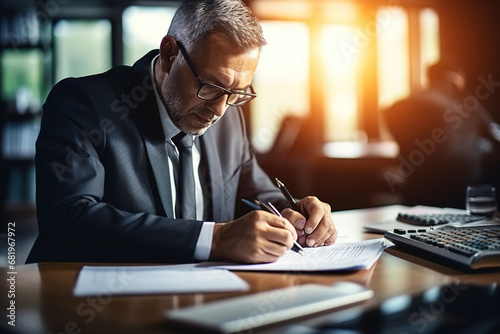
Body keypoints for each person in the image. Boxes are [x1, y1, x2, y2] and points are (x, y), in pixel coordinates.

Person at [26, 0, 337, 264]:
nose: (219, 109)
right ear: (168, 53)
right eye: (210, 86)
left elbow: (257, 192)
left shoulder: (229, 116)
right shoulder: (84, 104)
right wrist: (214, 239)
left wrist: (296, 214)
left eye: (237, 93)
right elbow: (69, 220)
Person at [384, 59, 500, 208]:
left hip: (416, 191)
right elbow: (495, 136)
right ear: (456, 79)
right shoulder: (467, 104)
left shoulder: (399, 105)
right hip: (460, 194)